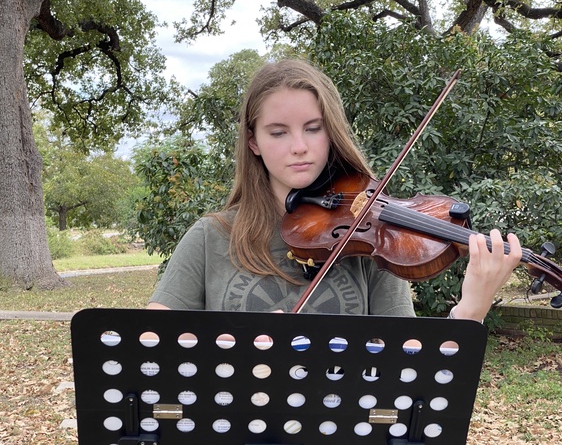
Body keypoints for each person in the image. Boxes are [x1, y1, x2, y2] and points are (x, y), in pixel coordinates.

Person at [148, 58, 522, 322]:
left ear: (332, 134)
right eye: (278, 132)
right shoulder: (210, 237)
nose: (299, 146)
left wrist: (471, 308)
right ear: (254, 142)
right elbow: (150, 346)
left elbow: (410, 362)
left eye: (313, 128)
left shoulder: (373, 237)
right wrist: (237, 345)